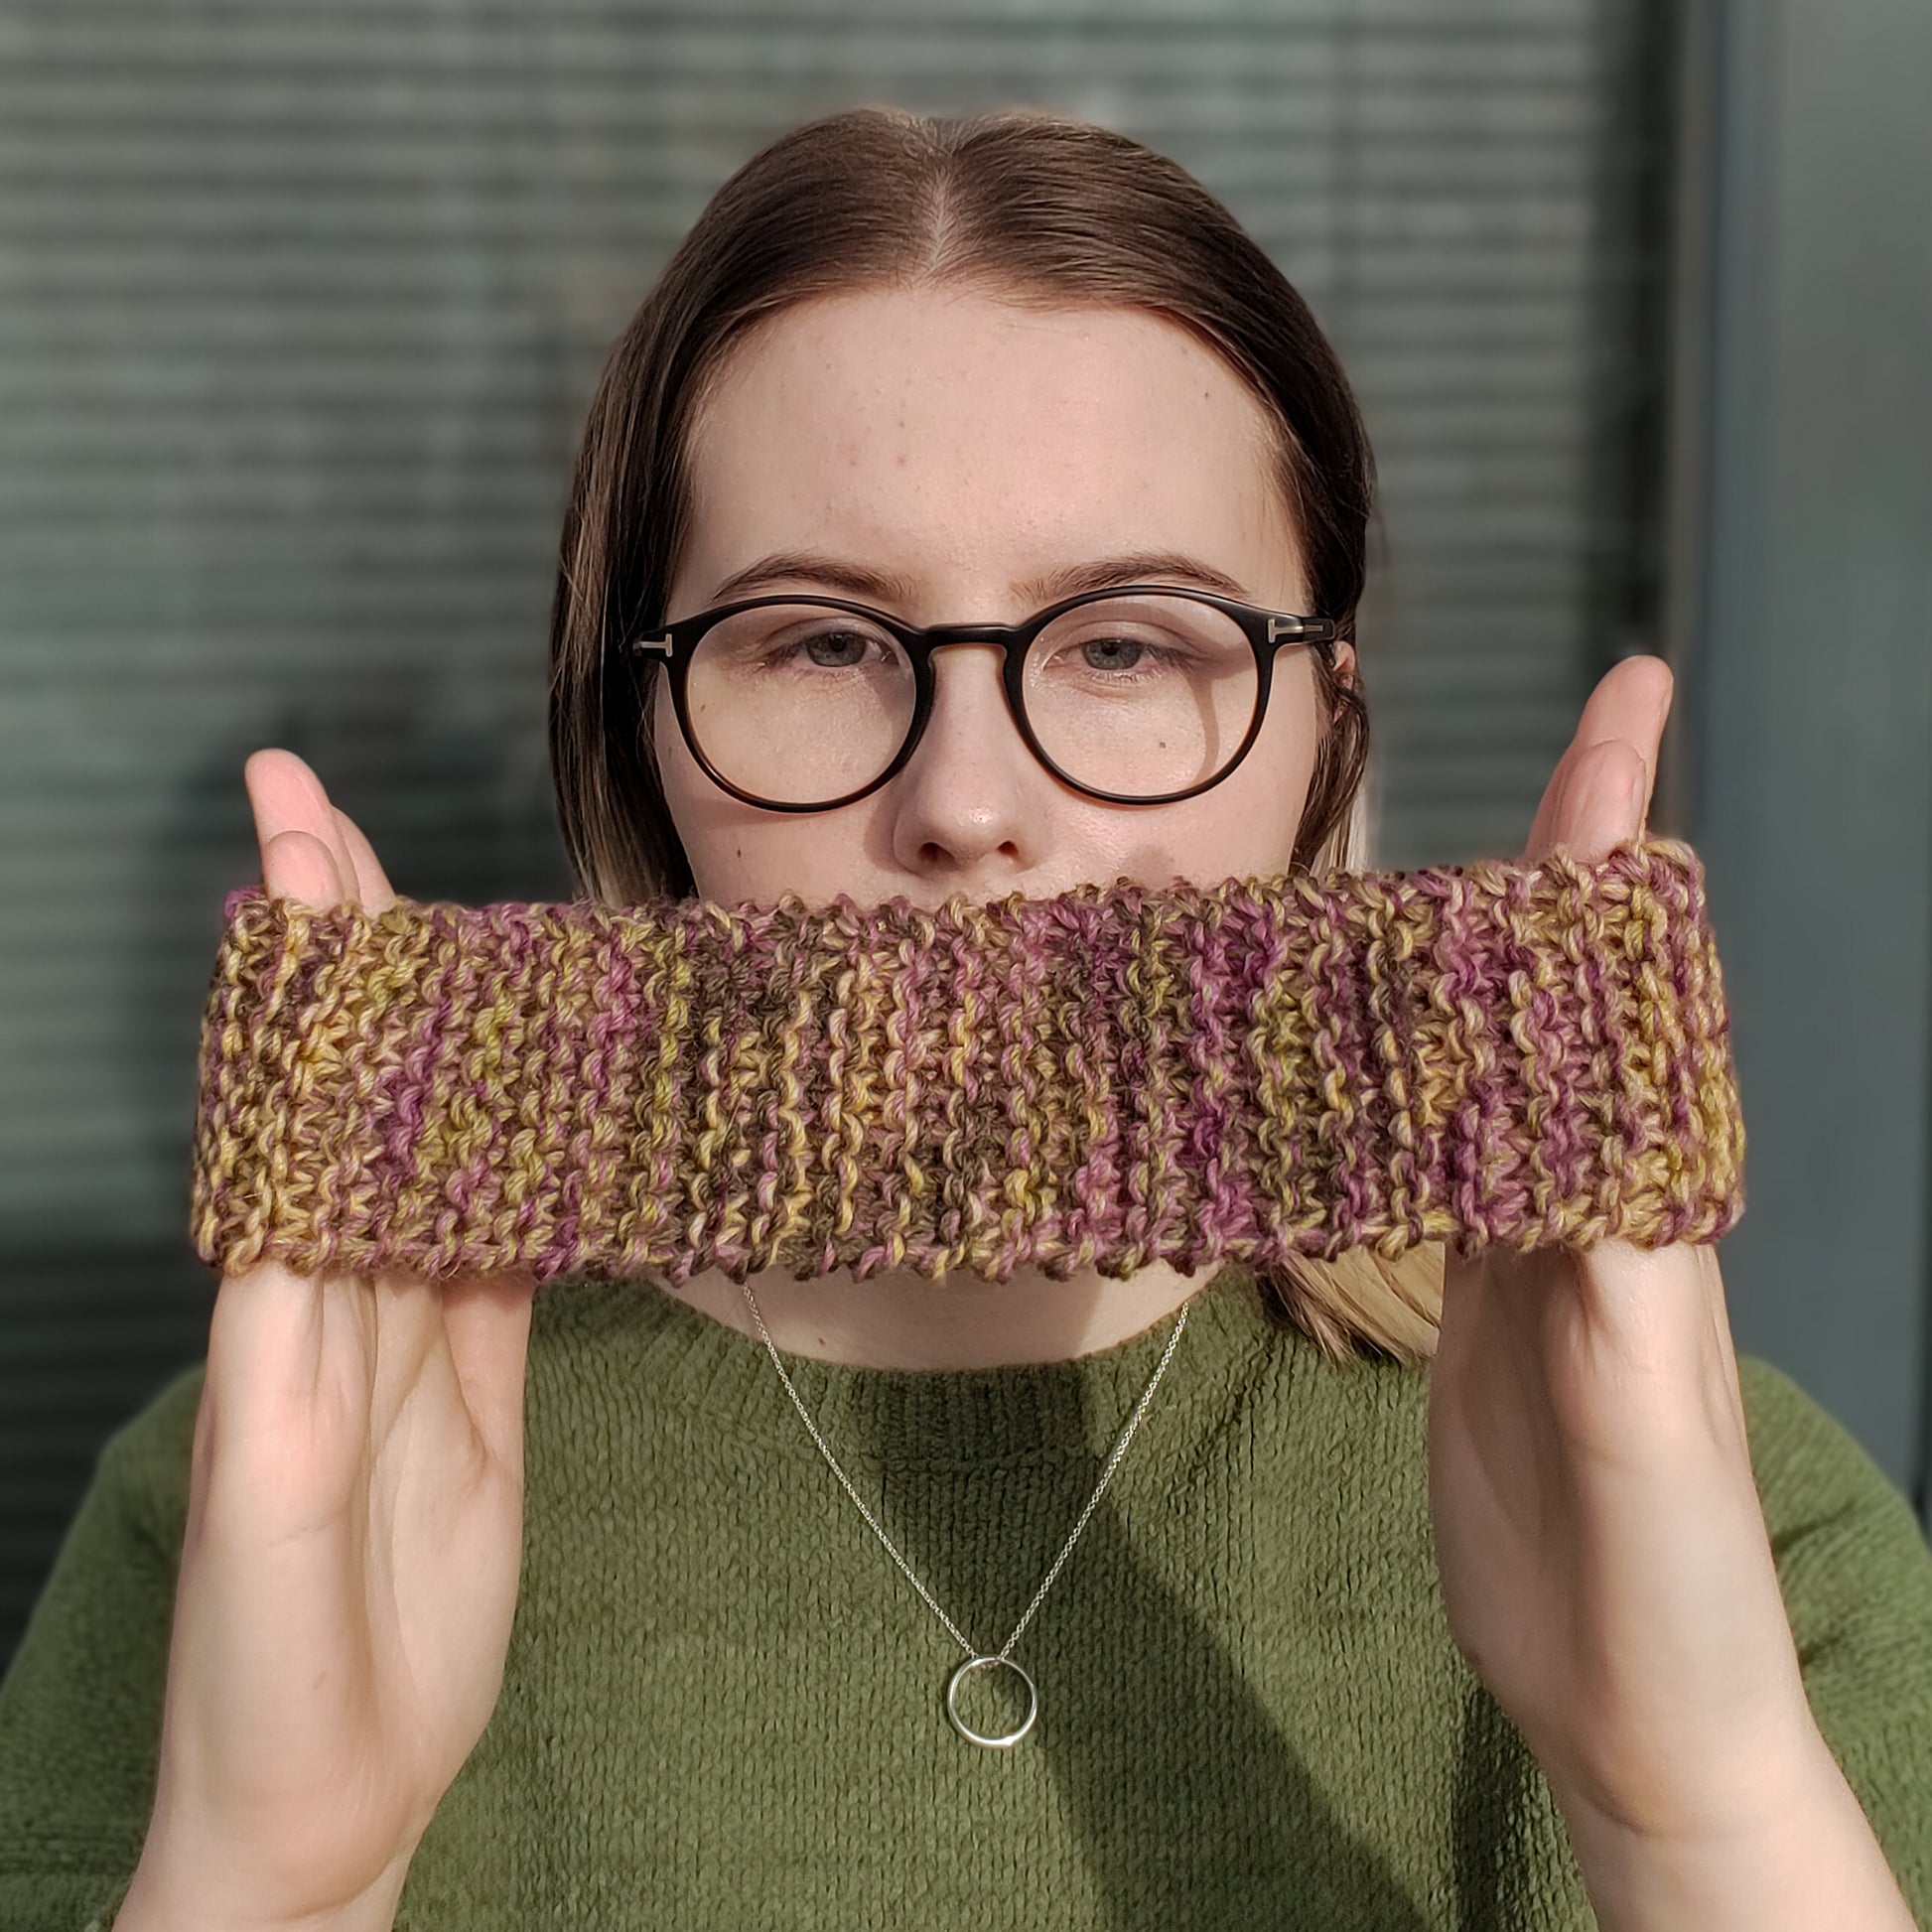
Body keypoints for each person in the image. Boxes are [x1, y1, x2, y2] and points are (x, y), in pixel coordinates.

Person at [3, 106, 1930, 1932]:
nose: (967, 802)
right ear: (638, 735)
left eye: (1125, 644)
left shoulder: (1721, 1524)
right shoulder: (271, 1518)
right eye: (823, 642)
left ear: (1325, 736)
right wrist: (274, 1883)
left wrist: (1694, 1806)